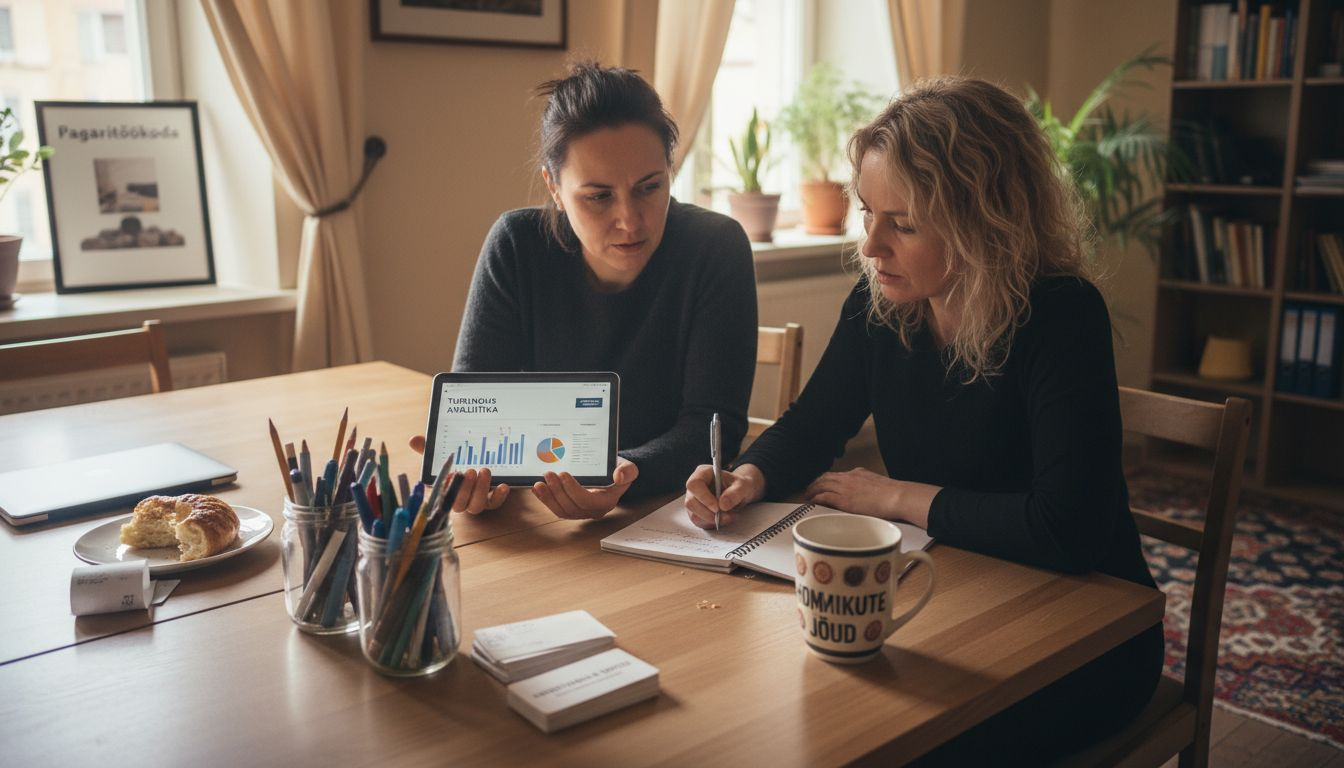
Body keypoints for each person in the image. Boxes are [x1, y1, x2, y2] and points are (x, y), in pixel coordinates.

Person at [683, 77, 1162, 763]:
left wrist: (892, 497)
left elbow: (1069, 531)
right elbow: (814, 424)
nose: (871, 245)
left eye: (902, 223)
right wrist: (748, 475)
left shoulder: (1062, 314)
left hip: (1085, 636)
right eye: (866, 211)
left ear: (984, 221)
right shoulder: (880, 301)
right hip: (956, 596)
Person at [422, 61, 757, 521]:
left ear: (670, 170)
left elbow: (714, 427)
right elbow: (479, 415)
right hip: (538, 524)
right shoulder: (518, 245)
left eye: (650, 187)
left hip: (667, 518)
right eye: (598, 196)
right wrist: (476, 479)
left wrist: (624, 472)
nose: (630, 220)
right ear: (554, 188)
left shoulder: (715, 247)